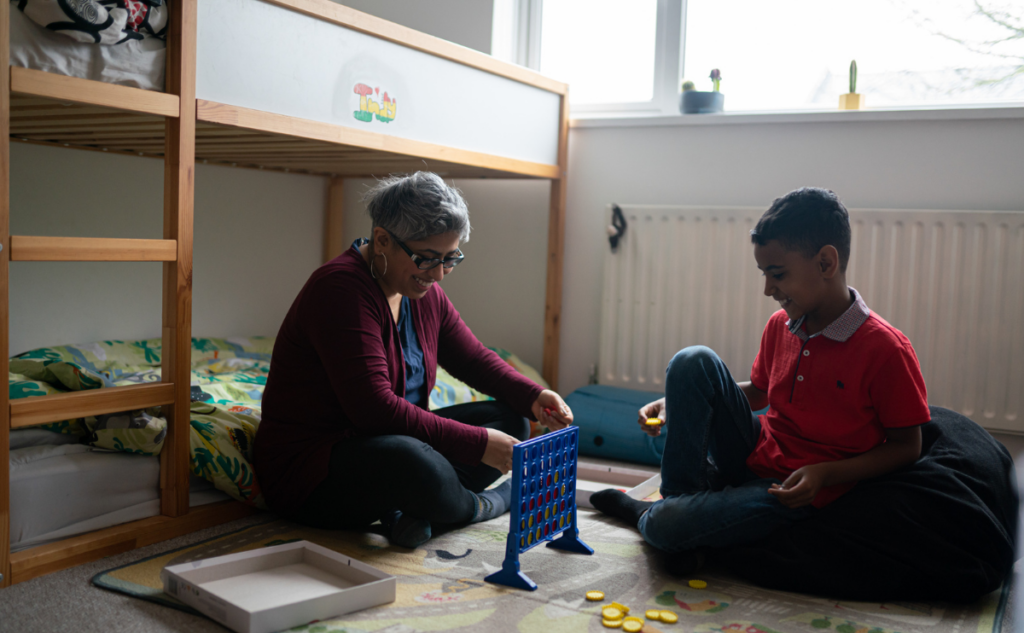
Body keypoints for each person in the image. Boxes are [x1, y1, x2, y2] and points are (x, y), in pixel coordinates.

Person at [591, 187, 930, 574]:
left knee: (669, 525)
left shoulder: (886, 349)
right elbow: (760, 392)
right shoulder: (781, 325)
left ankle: (658, 518)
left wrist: (825, 473)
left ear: (825, 263)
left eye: (778, 274)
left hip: (794, 490)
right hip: (756, 449)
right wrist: (676, 404)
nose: (768, 289)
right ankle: (680, 502)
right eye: (764, 274)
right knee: (692, 360)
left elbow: (908, 446)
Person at [253, 172, 572, 548]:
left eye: (450, 259)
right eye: (426, 259)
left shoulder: (421, 291)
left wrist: (534, 396)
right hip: (314, 471)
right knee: (413, 461)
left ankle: (414, 511)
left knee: (511, 419)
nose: (438, 274)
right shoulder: (339, 290)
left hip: (388, 443)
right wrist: (477, 444)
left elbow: (472, 358)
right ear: (383, 240)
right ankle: (485, 504)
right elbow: (374, 409)